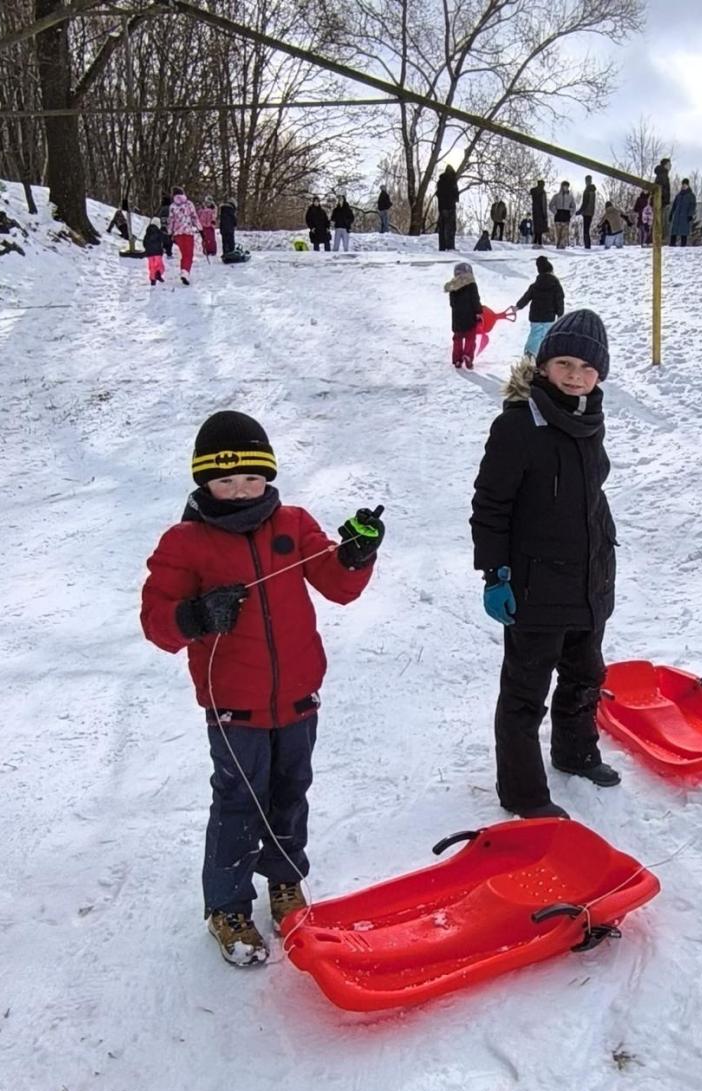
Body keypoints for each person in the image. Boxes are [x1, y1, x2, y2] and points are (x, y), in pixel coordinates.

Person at [140, 411, 384, 966]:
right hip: (235, 704)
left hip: (298, 695)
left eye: (251, 478)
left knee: (291, 791)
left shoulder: (292, 523)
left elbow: (337, 584)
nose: (240, 490)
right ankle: (227, 906)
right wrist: (197, 615)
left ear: (268, 476)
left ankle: (284, 879)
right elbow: (156, 621)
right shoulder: (185, 542)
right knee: (238, 801)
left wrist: (356, 555)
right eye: (226, 481)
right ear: (204, 482)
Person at [470, 310, 620, 820]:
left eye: (587, 367)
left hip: (588, 579)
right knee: (525, 694)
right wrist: (496, 573)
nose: (575, 376)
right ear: (543, 366)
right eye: (564, 364)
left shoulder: (589, 418)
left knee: (584, 675)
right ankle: (524, 793)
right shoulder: (518, 425)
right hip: (535, 586)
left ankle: (575, 752)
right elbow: (490, 506)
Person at [515, 254, 564, 357]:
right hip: (549, 316)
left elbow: (526, 297)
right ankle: (544, 354)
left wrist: (518, 307)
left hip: (535, 316)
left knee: (535, 334)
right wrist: (560, 314)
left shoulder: (535, 285)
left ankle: (530, 353)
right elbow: (559, 300)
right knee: (546, 335)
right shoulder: (556, 285)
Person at [444, 260, 482, 369]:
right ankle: (468, 356)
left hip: (457, 318)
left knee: (457, 339)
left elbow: (452, 303)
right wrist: (478, 311)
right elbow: (475, 300)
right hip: (470, 317)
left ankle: (457, 360)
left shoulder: (452, 285)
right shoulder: (471, 284)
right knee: (470, 338)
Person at [167, 186, 202, 284]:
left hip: (178, 234)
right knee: (189, 254)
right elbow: (194, 217)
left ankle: (184, 271)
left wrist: (170, 233)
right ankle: (185, 272)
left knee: (184, 254)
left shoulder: (172, 206)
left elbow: (171, 221)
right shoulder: (188, 204)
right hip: (188, 232)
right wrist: (200, 229)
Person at [437, 164, 459, 251]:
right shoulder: (452, 181)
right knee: (450, 228)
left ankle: (442, 247)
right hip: (450, 207)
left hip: (442, 208)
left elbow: (438, 194)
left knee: (442, 228)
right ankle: (450, 247)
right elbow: (455, 195)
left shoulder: (440, 181)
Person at [669, 179, 696, 247]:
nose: (684, 186)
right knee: (674, 230)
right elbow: (674, 205)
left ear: (688, 185)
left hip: (685, 216)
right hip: (677, 215)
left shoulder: (691, 196)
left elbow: (692, 206)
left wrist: (690, 215)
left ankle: (683, 245)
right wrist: (671, 214)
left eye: (685, 184)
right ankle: (672, 243)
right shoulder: (678, 195)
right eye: (683, 184)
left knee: (684, 231)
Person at [548, 181, 574, 249]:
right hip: (558, 217)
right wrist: (555, 212)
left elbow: (573, 207)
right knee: (558, 234)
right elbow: (550, 205)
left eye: (567, 186)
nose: (566, 187)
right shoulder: (556, 196)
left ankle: (562, 247)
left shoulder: (570, 197)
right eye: (565, 186)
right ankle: (558, 247)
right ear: (562, 187)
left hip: (566, 218)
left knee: (564, 234)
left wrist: (570, 214)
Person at [576, 175, 597, 249]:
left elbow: (585, 203)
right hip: (591, 212)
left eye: (587, 180)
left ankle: (587, 246)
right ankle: (588, 245)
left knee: (585, 230)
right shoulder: (593, 190)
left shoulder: (587, 190)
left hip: (586, 212)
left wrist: (578, 212)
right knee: (587, 230)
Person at [143, 220, 165, 286]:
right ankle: (158, 273)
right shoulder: (159, 233)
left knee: (151, 266)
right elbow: (164, 239)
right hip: (158, 252)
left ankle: (152, 279)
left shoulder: (147, 233)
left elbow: (144, 243)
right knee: (160, 264)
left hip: (149, 253)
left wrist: (147, 248)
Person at [655, 157, 672, 242]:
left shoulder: (663, 174)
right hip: (661, 201)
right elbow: (662, 188)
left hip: (662, 200)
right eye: (669, 164)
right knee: (661, 220)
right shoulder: (662, 175)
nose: (670, 166)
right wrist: (665, 198)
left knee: (661, 220)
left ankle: (660, 238)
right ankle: (659, 238)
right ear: (665, 165)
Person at [530, 180, 549, 247]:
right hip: (541, 212)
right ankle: (539, 243)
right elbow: (544, 204)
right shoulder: (542, 192)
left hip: (535, 211)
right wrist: (545, 215)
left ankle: (535, 242)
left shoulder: (534, 191)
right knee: (540, 228)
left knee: (536, 227)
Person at [158, 193, 173, 259]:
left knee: (164, 238)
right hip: (169, 226)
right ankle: (169, 253)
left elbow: (159, 216)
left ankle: (163, 248)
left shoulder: (162, 208)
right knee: (170, 239)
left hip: (163, 225)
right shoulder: (171, 208)